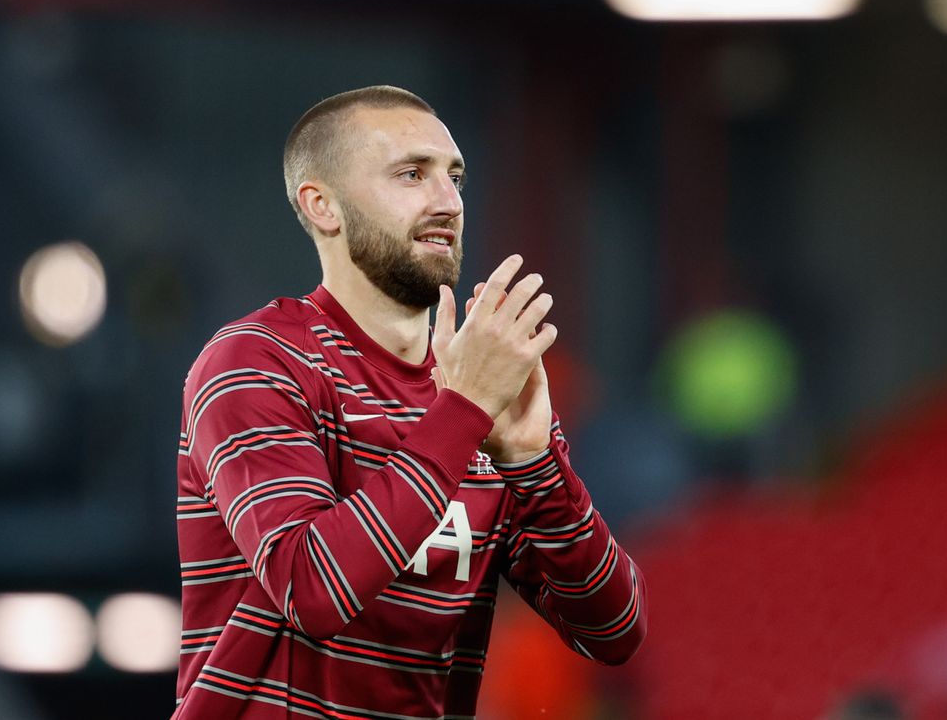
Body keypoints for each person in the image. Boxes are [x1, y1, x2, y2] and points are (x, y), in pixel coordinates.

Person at [172, 86, 647, 719]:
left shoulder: (478, 392)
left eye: (455, 178)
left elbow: (613, 630)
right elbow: (311, 589)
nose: (447, 201)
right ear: (323, 206)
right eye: (410, 174)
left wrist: (536, 464)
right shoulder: (255, 361)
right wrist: (464, 412)